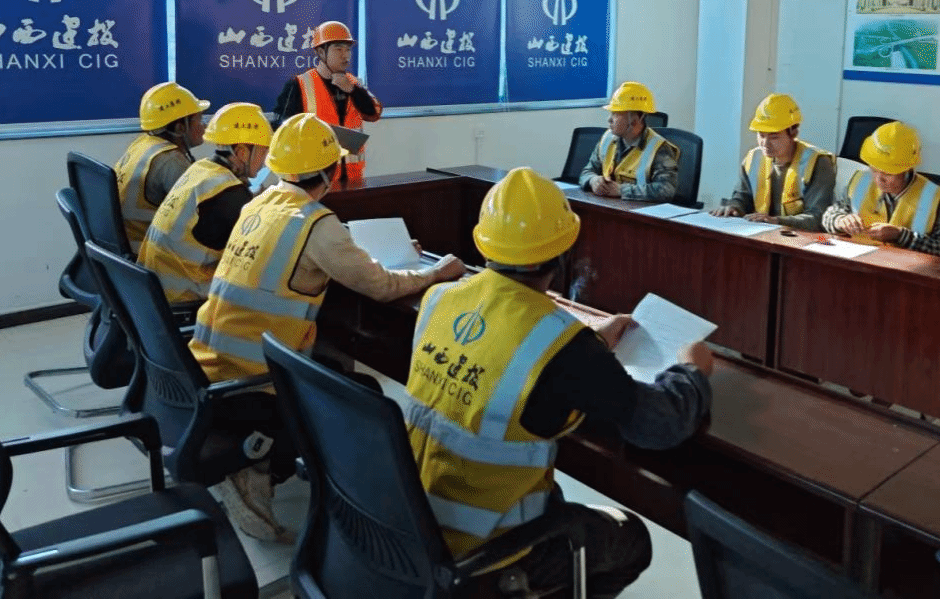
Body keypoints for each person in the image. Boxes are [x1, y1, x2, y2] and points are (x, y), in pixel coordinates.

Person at [405, 167, 713, 598]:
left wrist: (592, 343)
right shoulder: (565, 348)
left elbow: (505, 351)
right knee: (631, 541)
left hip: (411, 516)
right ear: (562, 253)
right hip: (483, 547)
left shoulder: (439, 298)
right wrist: (692, 370)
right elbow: (659, 424)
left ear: (484, 244)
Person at [189, 112, 466, 543]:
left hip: (206, 361)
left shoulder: (257, 203)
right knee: (364, 396)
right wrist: (436, 272)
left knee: (336, 366)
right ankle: (256, 467)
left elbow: (307, 246)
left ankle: (272, 460)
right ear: (331, 172)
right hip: (253, 380)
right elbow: (382, 286)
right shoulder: (318, 225)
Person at [138, 102, 272, 310]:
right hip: (184, 298)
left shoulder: (201, 169)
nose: (264, 161)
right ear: (242, 153)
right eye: (263, 152)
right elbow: (263, 252)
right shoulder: (231, 196)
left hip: (153, 291)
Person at [822, 121, 940, 260]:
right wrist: (840, 221)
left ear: (906, 169)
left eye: (887, 173)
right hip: (859, 267)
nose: (879, 179)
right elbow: (828, 216)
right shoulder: (861, 182)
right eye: (874, 170)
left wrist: (901, 236)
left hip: (908, 273)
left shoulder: (935, 198)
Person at [273, 20, 381, 183]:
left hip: (353, 179)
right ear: (321, 52)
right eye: (338, 49)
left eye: (348, 49)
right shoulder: (299, 84)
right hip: (315, 181)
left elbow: (374, 113)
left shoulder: (354, 83)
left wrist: (353, 90)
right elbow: (281, 131)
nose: (345, 55)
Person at [710, 93, 836, 230]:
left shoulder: (817, 163)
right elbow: (742, 197)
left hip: (799, 238)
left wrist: (776, 221)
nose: (765, 143)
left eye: (774, 137)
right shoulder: (753, 159)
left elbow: (818, 217)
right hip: (759, 234)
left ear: (793, 132)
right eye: (761, 135)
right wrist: (733, 207)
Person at [115, 81, 209, 250]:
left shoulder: (142, 144)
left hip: (124, 249)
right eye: (199, 120)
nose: (204, 126)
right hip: (147, 253)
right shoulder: (171, 162)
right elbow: (203, 218)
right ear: (180, 128)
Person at [579, 81, 680, 201]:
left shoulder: (659, 149)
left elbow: (666, 190)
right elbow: (586, 171)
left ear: (635, 120)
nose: (609, 119)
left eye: (616, 114)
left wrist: (622, 190)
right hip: (609, 206)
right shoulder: (607, 139)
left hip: (640, 210)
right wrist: (593, 180)